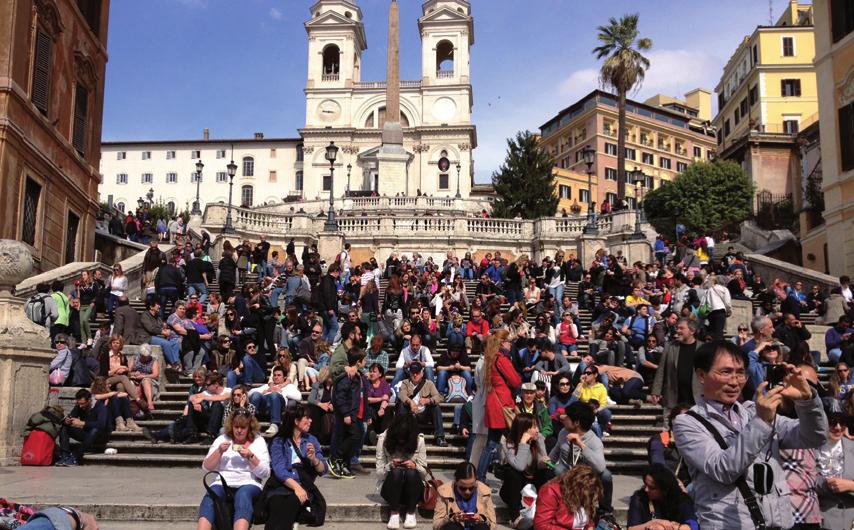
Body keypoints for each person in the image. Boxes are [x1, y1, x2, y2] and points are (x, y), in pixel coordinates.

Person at [673, 340, 828, 529]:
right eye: (725, 372)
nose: (734, 381)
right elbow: (724, 469)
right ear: (701, 375)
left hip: (776, 522)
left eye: (740, 373)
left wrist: (807, 401)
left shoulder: (753, 411)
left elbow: (814, 436)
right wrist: (761, 423)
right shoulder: (688, 423)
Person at [197, 410, 270, 530]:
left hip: (249, 482)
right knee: (211, 495)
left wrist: (251, 457)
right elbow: (206, 467)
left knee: (243, 495)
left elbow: (265, 472)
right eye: (236, 427)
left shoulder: (258, 441)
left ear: (249, 428)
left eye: (243, 427)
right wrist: (219, 451)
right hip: (222, 482)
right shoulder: (222, 439)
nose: (239, 431)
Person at [263, 403, 328, 530]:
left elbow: (323, 469)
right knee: (277, 504)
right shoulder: (279, 441)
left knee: (292, 502)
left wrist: (314, 459)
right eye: (307, 418)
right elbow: (279, 470)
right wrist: (297, 488)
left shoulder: (311, 440)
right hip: (281, 485)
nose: (311, 420)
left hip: (304, 485)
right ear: (296, 421)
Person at [478, 329, 521, 480]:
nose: (511, 344)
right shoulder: (501, 359)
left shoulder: (491, 358)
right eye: (509, 341)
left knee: (491, 443)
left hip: (494, 404)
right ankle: (517, 475)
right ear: (503, 343)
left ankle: (480, 477)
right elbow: (516, 381)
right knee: (516, 441)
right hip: (503, 404)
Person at [375, 412, 428, 529]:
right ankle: (394, 513)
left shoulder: (419, 440)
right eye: (399, 438)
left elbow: (424, 474)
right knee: (396, 472)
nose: (401, 441)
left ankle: (411, 512)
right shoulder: (383, 439)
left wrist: (415, 466)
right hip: (391, 488)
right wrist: (390, 466)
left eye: (404, 438)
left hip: (413, 489)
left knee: (411, 473)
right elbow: (379, 474)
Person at [499, 413, 552, 522]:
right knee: (513, 473)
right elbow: (520, 466)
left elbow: (540, 464)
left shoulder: (538, 439)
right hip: (513, 490)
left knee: (546, 473)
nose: (537, 430)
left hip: (532, 484)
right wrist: (523, 443)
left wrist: (543, 461)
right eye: (533, 427)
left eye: (537, 426)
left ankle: (545, 510)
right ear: (523, 429)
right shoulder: (508, 444)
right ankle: (515, 517)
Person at [329, 347, 370, 478]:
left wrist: (367, 415)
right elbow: (340, 396)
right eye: (364, 360)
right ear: (358, 362)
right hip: (350, 414)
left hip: (359, 415)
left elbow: (364, 398)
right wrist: (346, 413)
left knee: (354, 439)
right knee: (353, 437)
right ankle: (335, 458)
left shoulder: (360, 376)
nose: (366, 362)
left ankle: (345, 465)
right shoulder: (347, 377)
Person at [650, 317, 702, 418]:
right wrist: (656, 390)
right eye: (677, 328)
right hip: (673, 397)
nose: (677, 331)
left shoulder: (702, 348)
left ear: (692, 331)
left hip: (696, 398)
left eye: (681, 328)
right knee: (670, 430)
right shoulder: (670, 347)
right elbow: (661, 369)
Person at [627, 464, 698, 530]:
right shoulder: (639, 499)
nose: (646, 490)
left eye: (652, 488)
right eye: (645, 484)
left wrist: (672, 527)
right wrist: (652, 524)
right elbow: (631, 528)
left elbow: (693, 525)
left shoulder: (681, 500)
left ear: (664, 489)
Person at [533, 465, 603, 530]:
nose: (586, 500)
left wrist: (589, 526)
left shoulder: (586, 493)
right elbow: (541, 526)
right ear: (576, 487)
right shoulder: (550, 491)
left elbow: (587, 518)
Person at [816, 412, 854, 529]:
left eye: (842, 423)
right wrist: (825, 484)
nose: (838, 427)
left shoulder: (852, 447)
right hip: (820, 519)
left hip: (850, 519)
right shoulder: (809, 448)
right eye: (832, 422)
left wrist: (851, 486)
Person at [433, 461, 496, 530]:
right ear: (456, 482)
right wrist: (451, 518)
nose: (467, 492)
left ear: (476, 481)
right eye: (463, 488)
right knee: (451, 527)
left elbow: (493, 525)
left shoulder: (484, 491)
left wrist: (482, 519)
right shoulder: (444, 491)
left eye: (471, 488)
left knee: (482, 528)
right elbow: (436, 525)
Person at [397, 361, 447, 447]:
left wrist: (428, 400)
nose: (415, 375)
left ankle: (440, 436)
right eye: (413, 373)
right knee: (402, 405)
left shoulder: (429, 383)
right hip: (410, 413)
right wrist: (410, 402)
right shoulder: (405, 383)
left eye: (417, 373)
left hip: (424, 414)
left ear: (422, 373)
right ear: (410, 373)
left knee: (436, 407)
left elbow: (439, 397)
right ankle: (402, 435)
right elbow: (402, 395)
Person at [55, 389, 109, 466]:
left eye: (83, 404)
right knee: (65, 427)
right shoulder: (79, 406)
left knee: (95, 430)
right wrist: (67, 421)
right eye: (79, 403)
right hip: (86, 434)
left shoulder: (100, 406)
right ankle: (65, 456)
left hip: (100, 436)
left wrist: (82, 423)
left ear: (89, 400)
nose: (81, 406)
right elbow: (72, 416)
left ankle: (76, 456)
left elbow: (101, 424)